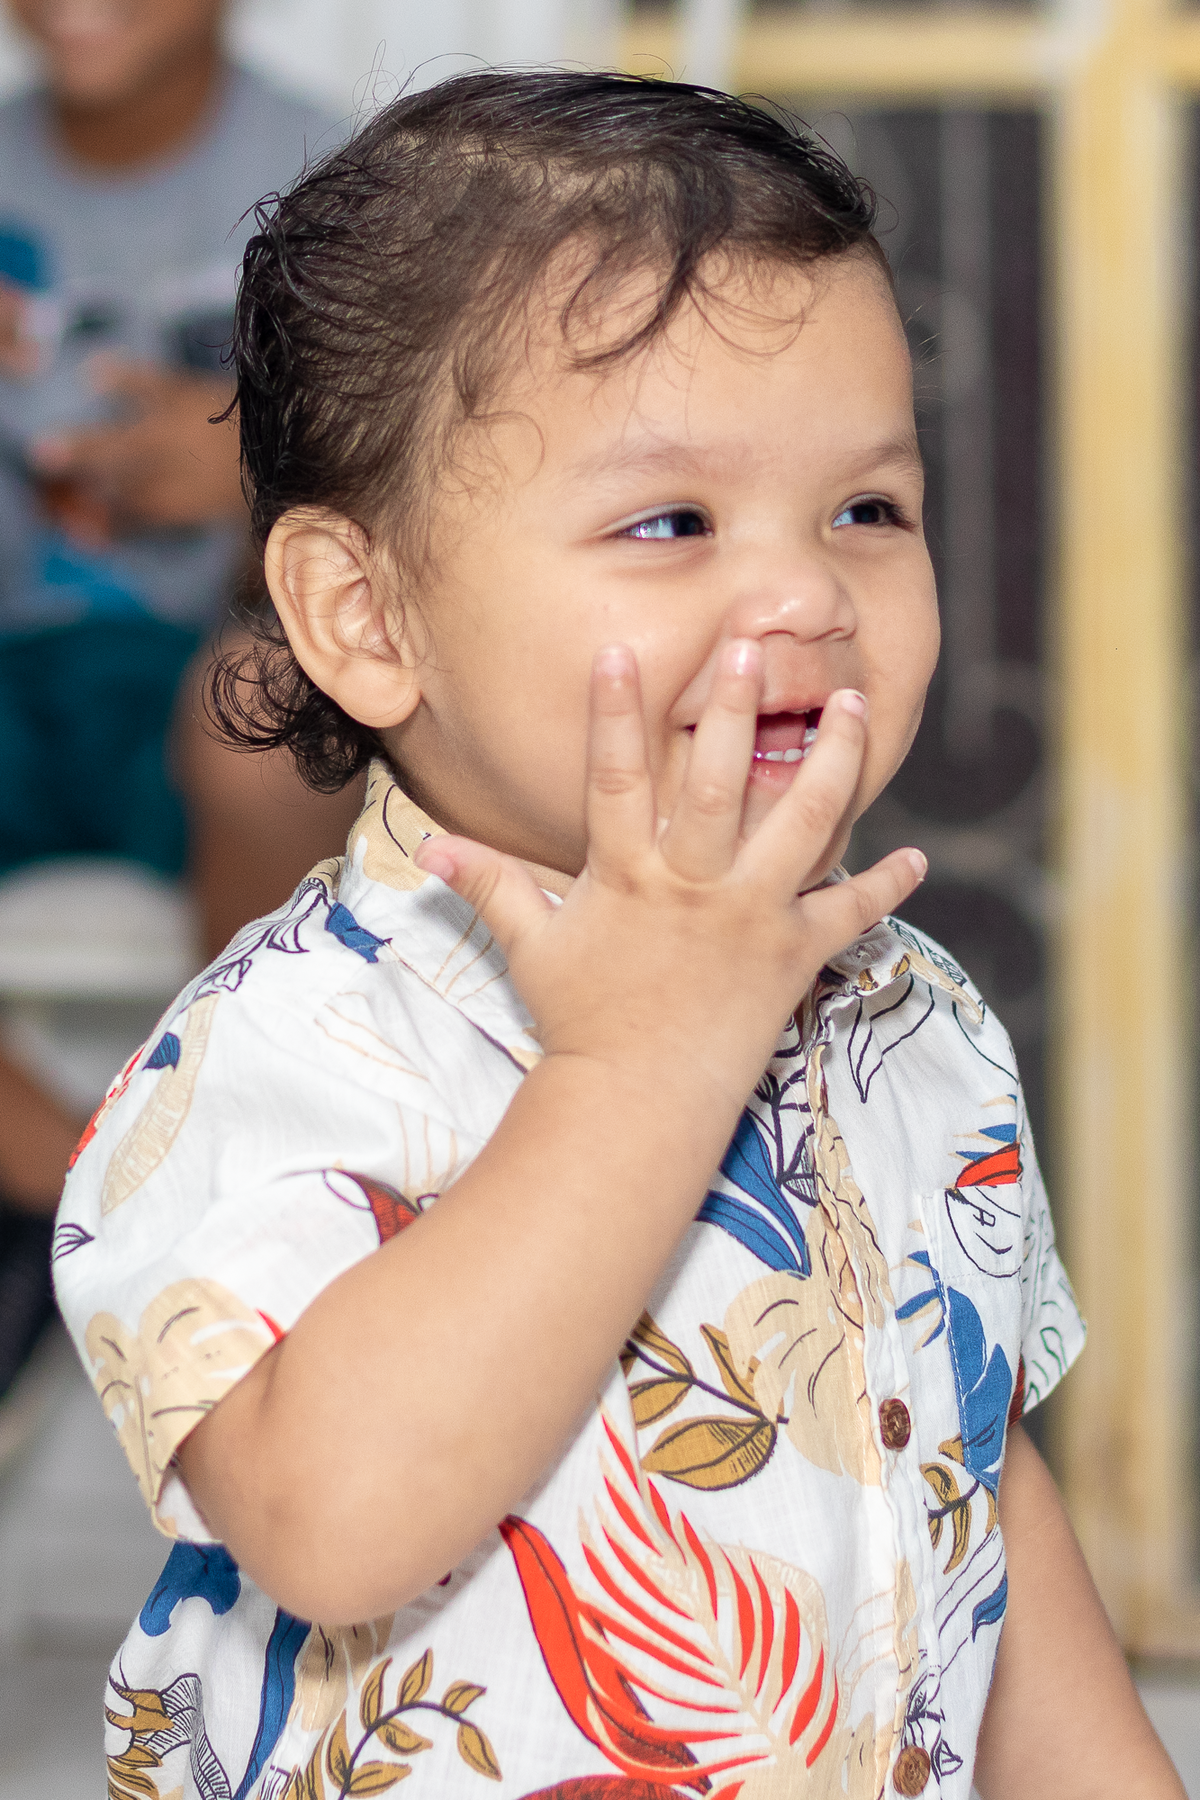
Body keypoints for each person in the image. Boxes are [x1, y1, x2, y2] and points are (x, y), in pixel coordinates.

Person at [54, 71, 1182, 1800]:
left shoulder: (908, 1014)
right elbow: (335, 1529)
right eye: (672, 524)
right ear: (364, 615)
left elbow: (968, 1486)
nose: (809, 595)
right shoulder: (281, 1056)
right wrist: (641, 1052)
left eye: (869, 509)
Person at [0, 0, 361, 1402]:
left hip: (194, 682)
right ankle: (83, 1187)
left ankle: (237, 1151)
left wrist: (243, 480)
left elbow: (426, 482)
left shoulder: (332, 190)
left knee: (265, 704)